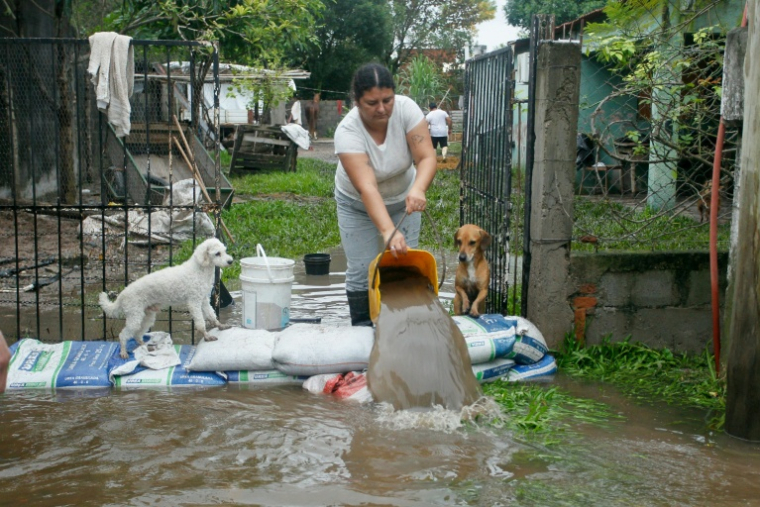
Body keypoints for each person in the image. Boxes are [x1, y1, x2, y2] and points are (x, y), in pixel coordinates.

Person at [334, 63, 437, 326]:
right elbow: (367, 187)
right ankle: (361, 328)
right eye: (372, 102)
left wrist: (418, 188)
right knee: (361, 269)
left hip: (404, 200)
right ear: (356, 102)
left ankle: (402, 326)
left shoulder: (406, 110)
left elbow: (426, 157)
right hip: (356, 204)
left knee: (404, 262)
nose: (382, 108)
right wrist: (388, 230)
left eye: (387, 100)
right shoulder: (347, 132)